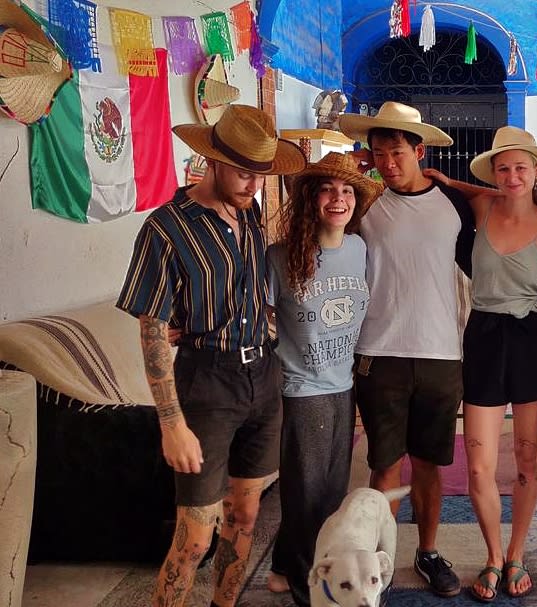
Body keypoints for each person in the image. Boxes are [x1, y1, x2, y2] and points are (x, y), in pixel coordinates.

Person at [116, 104, 306, 607]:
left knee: (245, 518)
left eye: (261, 176)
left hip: (263, 378)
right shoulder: (166, 228)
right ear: (213, 161)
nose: (254, 186)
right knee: (196, 536)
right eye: (245, 173)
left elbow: (247, 294)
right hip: (207, 385)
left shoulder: (250, 217)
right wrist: (171, 422)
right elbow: (153, 330)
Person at [337, 101, 475, 598]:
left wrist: (462, 185)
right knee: (384, 464)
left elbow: (508, 205)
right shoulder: (364, 203)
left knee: (431, 463)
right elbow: (320, 218)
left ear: (419, 150)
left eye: (396, 152)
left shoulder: (454, 205)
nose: (387, 163)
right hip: (379, 352)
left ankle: (429, 551)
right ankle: (381, 558)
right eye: (377, 154)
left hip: (441, 353)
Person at [426, 126, 537, 601]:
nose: (511, 175)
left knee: (528, 457)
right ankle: (491, 553)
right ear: (493, 174)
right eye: (502, 168)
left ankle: (516, 555)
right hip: (483, 336)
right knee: (479, 464)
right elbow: (461, 191)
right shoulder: (480, 209)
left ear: (536, 171)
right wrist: (439, 178)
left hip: (530, 339)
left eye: (520, 167)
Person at [265, 152, 384, 606]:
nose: (339, 199)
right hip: (303, 389)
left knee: (330, 490)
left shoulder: (357, 249)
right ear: (311, 199)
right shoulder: (281, 256)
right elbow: (253, 308)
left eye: (348, 191)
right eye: (328, 190)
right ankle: (305, 586)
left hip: (343, 384)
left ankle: (280, 568)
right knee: (308, 495)